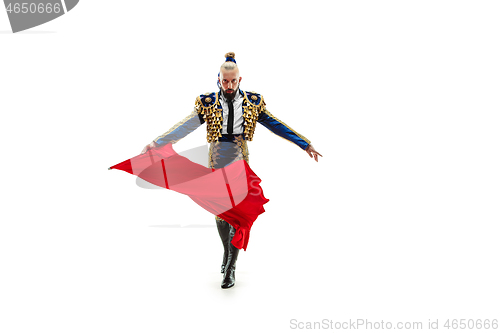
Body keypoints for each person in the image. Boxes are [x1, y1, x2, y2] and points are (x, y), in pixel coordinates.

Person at [141, 52, 322, 289]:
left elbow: (276, 125)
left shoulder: (252, 102)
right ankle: (227, 252)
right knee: (220, 213)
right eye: (225, 81)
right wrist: (158, 142)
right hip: (216, 160)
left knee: (238, 214)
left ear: (240, 80)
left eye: (233, 81)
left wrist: (304, 143)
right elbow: (186, 126)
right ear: (218, 79)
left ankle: (231, 267)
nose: (229, 85)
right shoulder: (208, 103)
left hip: (239, 160)